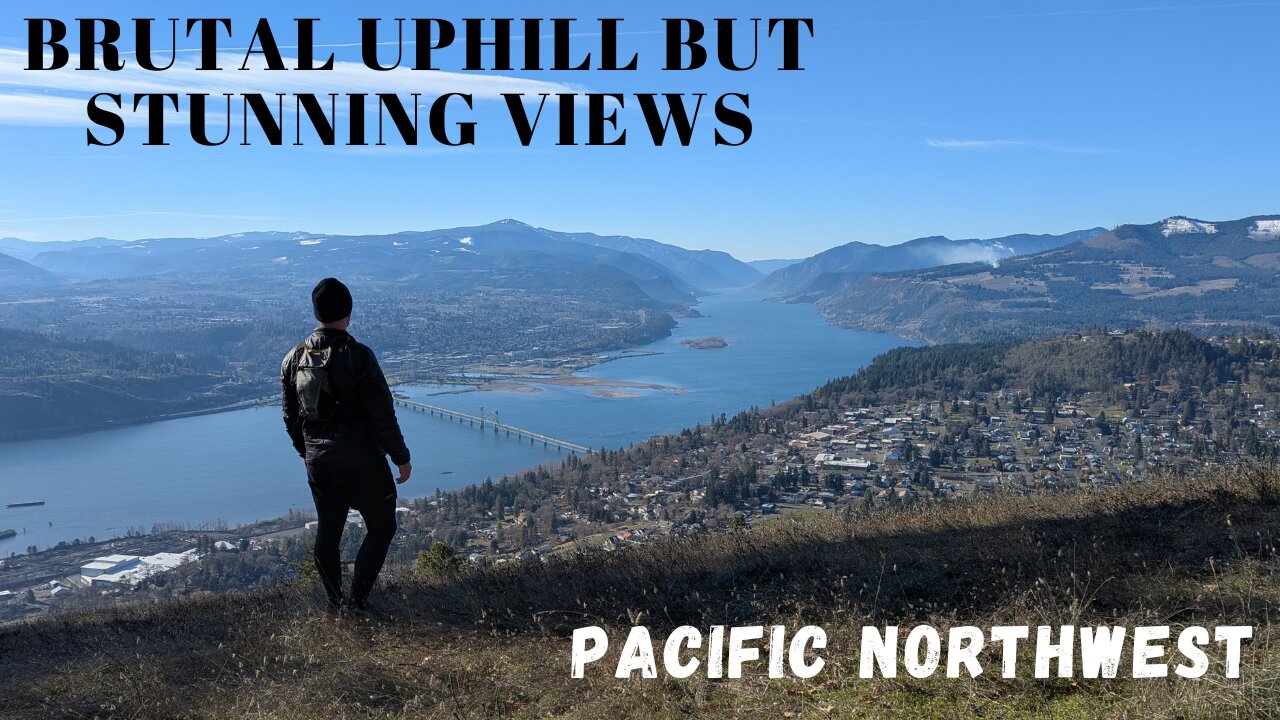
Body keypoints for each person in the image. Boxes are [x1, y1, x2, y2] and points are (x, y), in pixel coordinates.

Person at [281, 277, 412, 611]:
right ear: (349, 312)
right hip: (362, 462)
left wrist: (306, 452)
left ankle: (334, 604)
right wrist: (401, 457)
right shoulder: (359, 356)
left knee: (329, 530)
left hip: (319, 462)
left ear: (316, 312)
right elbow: (382, 413)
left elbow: (290, 416)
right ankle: (358, 603)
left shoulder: (294, 358)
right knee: (382, 527)